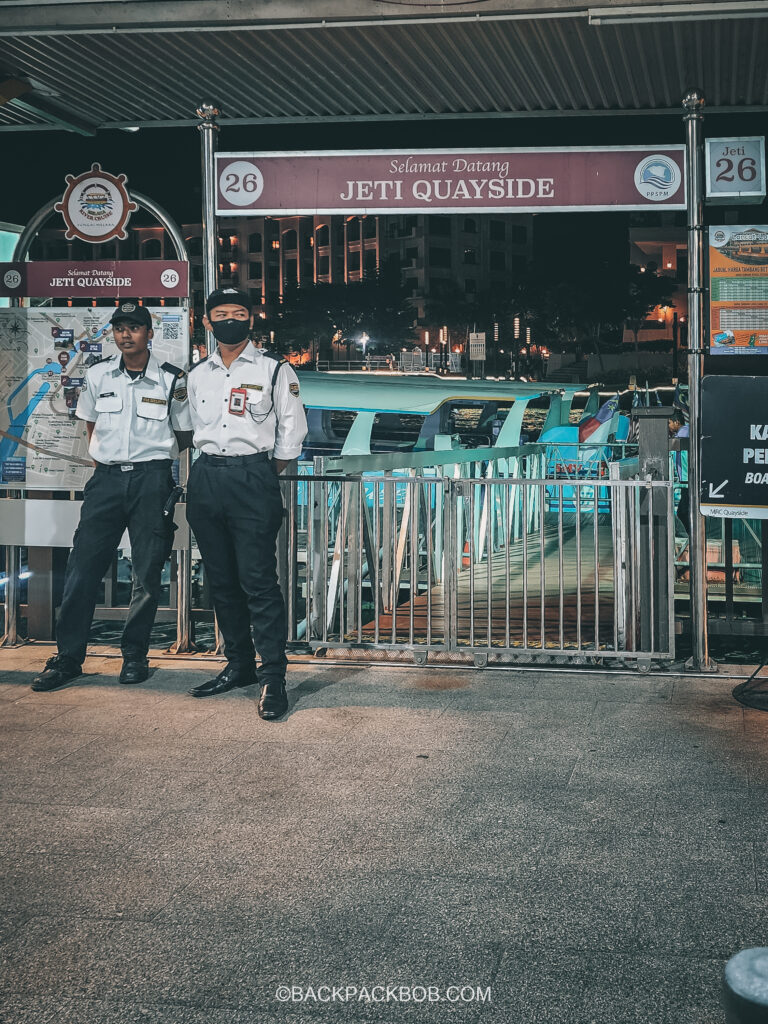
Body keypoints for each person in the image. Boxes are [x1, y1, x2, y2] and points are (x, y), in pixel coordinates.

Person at [32, 299, 193, 692]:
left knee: (146, 573)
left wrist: (148, 462)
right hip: (104, 482)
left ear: (149, 333)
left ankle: (135, 656)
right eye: (119, 327)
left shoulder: (172, 379)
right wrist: (110, 461)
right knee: (82, 569)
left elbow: (184, 434)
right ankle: (68, 658)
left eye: (134, 327)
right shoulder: (99, 374)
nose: (125, 334)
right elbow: (91, 425)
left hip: (151, 480)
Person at [185, 288, 307, 719]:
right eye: (222, 314)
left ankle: (273, 675)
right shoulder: (198, 373)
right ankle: (237, 665)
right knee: (221, 581)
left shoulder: (276, 370)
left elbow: (291, 433)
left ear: (251, 320)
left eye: (239, 314)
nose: (231, 320)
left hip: (253, 477)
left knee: (258, 581)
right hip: (205, 477)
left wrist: (256, 473)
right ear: (208, 322)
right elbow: (190, 426)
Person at [669, 407, 690, 535]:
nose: (669, 426)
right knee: (684, 509)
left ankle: (688, 536)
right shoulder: (685, 431)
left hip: (688, 478)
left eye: (669, 423)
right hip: (685, 478)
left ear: (677, 422)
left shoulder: (683, 433)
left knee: (683, 511)